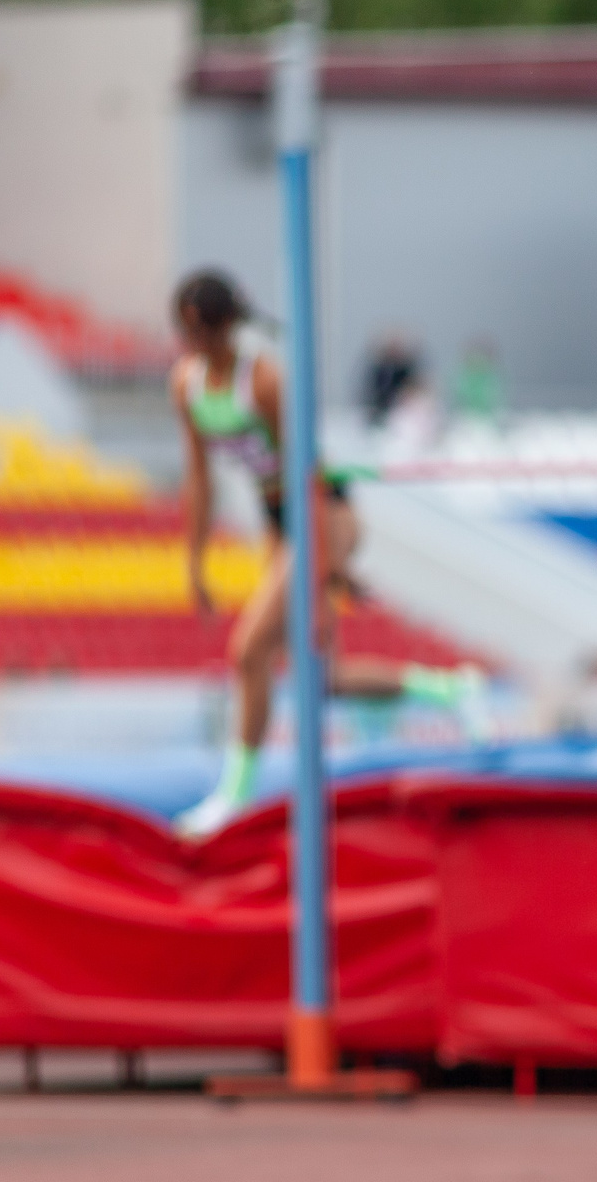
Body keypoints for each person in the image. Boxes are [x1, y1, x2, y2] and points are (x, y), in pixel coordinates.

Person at [166, 271, 484, 836]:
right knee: (324, 680)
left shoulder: (263, 382)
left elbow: (307, 476)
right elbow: (200, 479)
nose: (183, 343)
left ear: (211, 330)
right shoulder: (186, 385)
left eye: (190, 332)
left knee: (248, 652)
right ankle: (451, 689)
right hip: (278, 521)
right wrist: (193, 562)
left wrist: (330, 563)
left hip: (322, 514)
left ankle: (233, 797)